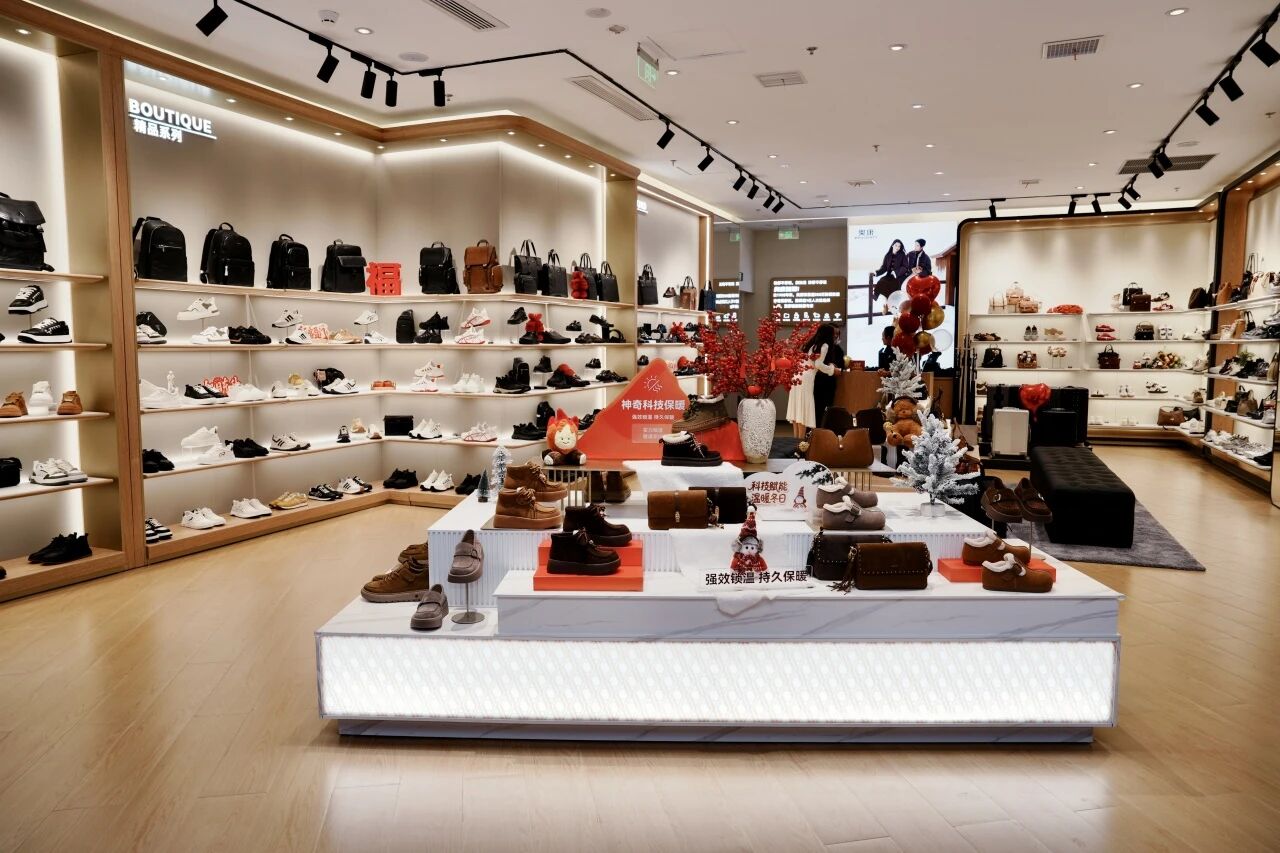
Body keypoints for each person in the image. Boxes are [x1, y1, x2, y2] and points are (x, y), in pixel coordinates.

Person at [805, 323, 845, 427]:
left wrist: (833, 367)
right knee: (817, 410)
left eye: (837, 334)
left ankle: (815, 433)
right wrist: (832, 368)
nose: (835, 336)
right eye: (833, 333)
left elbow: (840, 366)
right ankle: (816, 433)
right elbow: (818, 365)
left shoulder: (813, 345)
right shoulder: (823, 346)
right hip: (818, 382)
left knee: (820, 411)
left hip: (825, 383)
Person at [872, 239, 910, 313]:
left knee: (892, 287)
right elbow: (884, 268)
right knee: (881, 281)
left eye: (899, 246)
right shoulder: (888, 255)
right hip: (889, 275)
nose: (897, 247)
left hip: (898, 277)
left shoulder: (903, 255)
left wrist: (896, 272)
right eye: (896, 245)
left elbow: (905, 267)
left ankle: (890, 307)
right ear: (892, 245)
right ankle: (877, 297)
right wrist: (876, 273)